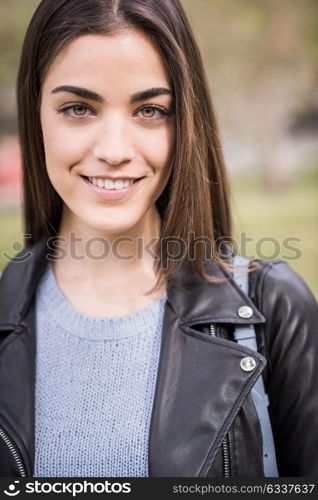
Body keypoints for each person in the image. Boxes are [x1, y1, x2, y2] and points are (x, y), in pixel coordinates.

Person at [0, 0, 317, 478]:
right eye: (78, 108)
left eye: (150, 110)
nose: (113, 151)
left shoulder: (276, 307)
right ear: (36, 113)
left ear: (185, 122)